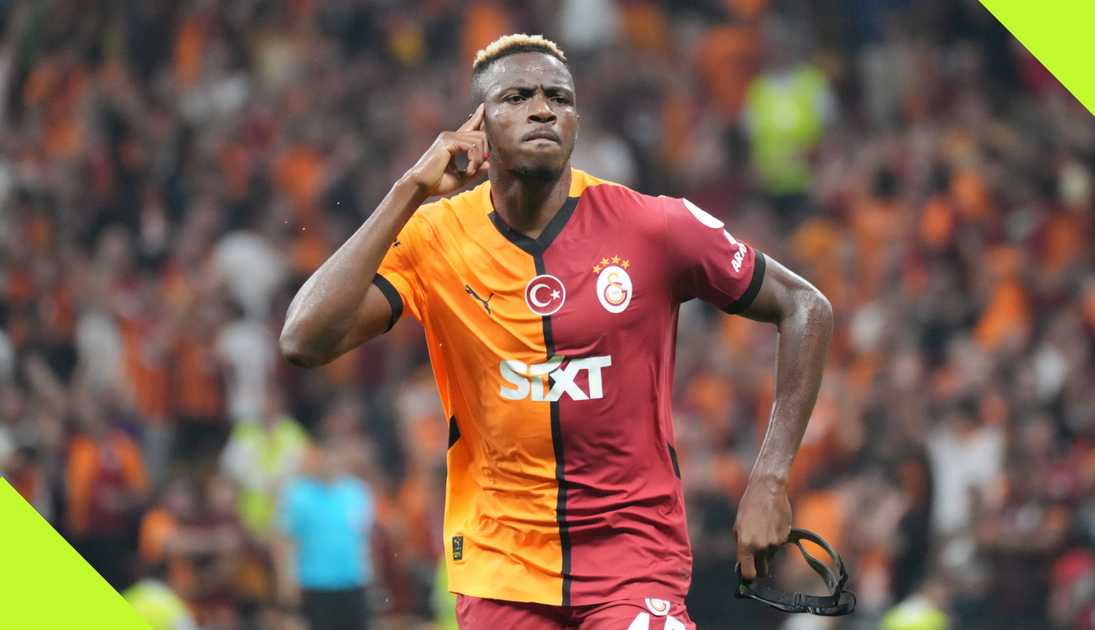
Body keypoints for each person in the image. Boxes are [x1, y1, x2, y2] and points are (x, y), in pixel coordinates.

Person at [280, 34, 833, 629]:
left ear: (576, 121)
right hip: (500, 569)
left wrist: (771, 479)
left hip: (633, 560)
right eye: (518, 96)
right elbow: (303, 341)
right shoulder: (433, 236)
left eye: (559, 98)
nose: (544, 108)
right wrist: (408, 191)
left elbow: (805, 306)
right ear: (478, 127)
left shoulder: (654, 226)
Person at [274, 434, 375, 630]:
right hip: (316, 582)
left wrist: (371, 574)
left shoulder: (357, 492)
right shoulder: (298, 495)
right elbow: (284, 540)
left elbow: (365, 538)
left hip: (353, 579)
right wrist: (287, 579)